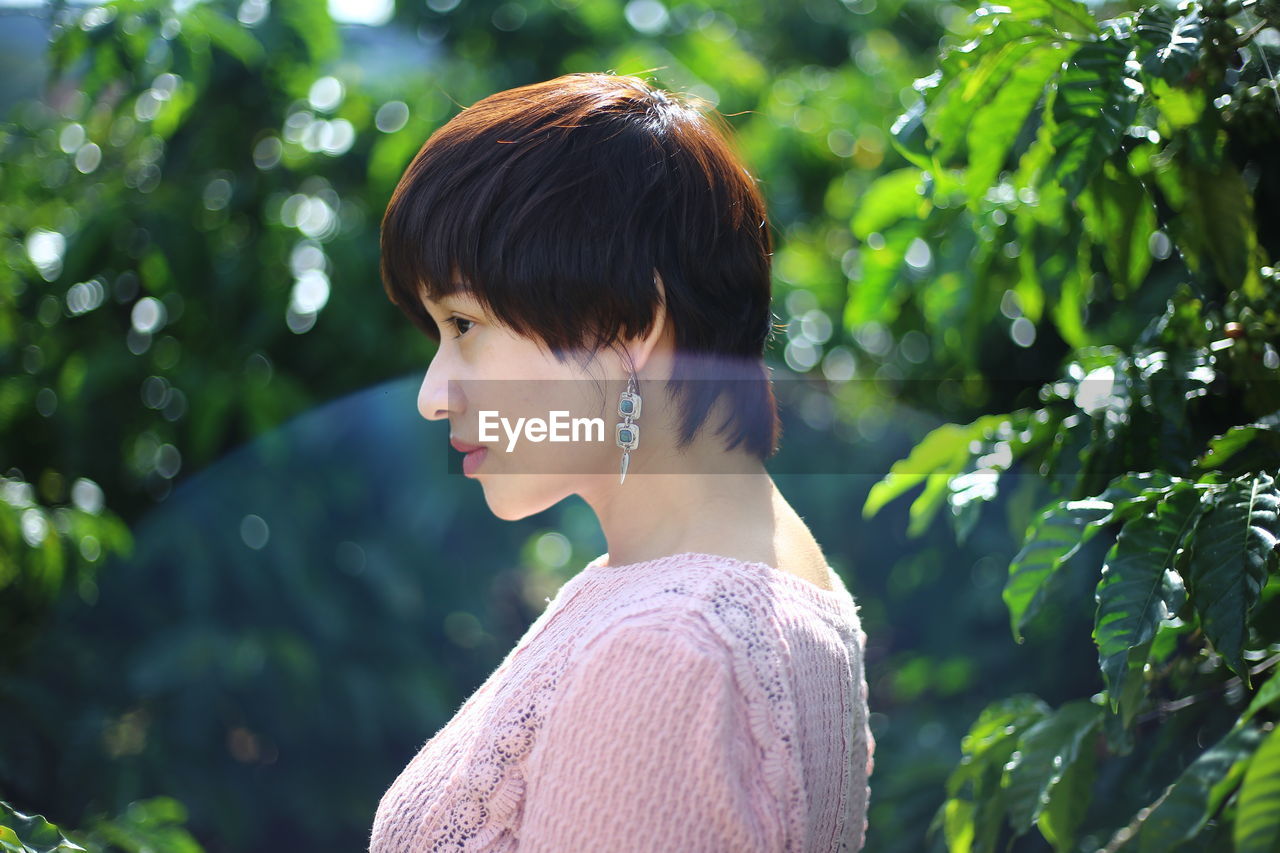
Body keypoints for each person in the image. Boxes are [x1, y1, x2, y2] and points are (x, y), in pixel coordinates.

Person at [368, 71, 873, 852]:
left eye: (464, 323)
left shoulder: (670, 648)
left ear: (627, 318)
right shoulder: (729, 584)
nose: (435, 394)